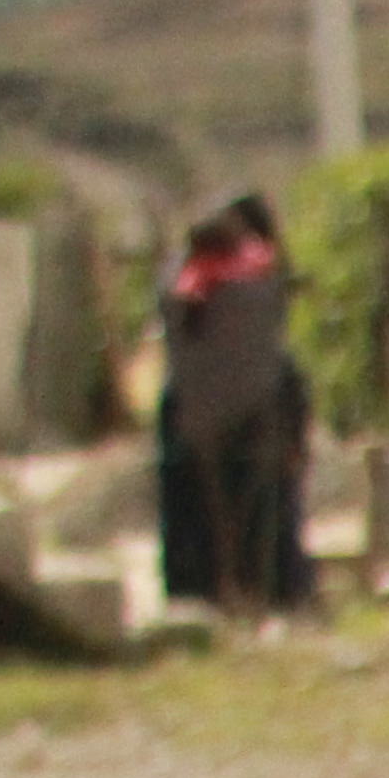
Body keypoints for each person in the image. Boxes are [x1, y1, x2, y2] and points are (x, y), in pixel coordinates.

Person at [156, 195, 314, 618]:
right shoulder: (259, 279)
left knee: (197, 505)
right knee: (267, 503)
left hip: (195, 413)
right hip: (259, 410)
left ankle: (196, 591)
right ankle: (280, 589)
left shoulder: (179, 281)